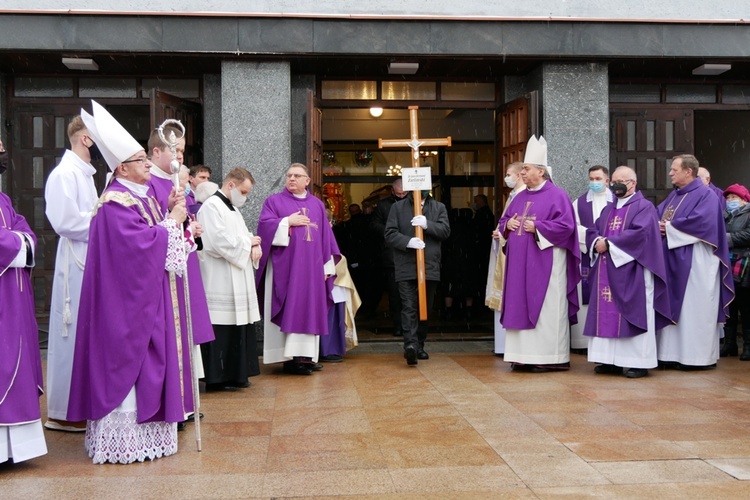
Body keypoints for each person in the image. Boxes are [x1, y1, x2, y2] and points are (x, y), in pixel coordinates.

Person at [67, 100, 198, 464]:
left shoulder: (142, 197)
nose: (148, 165)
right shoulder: (114, 203)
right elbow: (139, 248)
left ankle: (150, 433)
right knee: (132, 364)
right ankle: (126, 440)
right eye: (141, 160)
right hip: (125, 305)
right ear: (122, 167)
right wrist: (171, 220)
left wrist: (171, 214)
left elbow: (158, 237)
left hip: (147, 300)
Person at [147, 126, 214, 414]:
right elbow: (150, 228)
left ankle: (184, 403)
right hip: (161, 273)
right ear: (156, 152)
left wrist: (190, 229)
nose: (180, 156)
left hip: (182, 264)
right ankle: (173, 404)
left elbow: (179, 222)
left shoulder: (175, 183)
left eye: (183, 151)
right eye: (176, 150)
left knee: (185, 333)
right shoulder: (148, 183)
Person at [499, 136, 580, 373]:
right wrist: (508, 225)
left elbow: (567, 227)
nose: (522, 173)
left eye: (526, 168)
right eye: (522, 169)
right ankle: (521, 355)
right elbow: (505, 220)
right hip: (518, 265)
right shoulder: (520, 196)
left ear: (541, 171)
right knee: (519, 302)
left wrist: (540, 228)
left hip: (546, 263)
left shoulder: (558, 195)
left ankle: (549, 356)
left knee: (545, 306)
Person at [583, 166, 672, 378]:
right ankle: (608, 361)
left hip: (633, 272)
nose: (615, 185)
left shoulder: (644, 207)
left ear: (633, 183)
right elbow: (594, 230)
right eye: (613, 181)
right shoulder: (608, 208)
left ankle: (637, 362)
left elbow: (642, 235)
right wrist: (597, 241)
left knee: (632, 312)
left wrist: (610, 244)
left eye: (620, 181)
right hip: (606, 269)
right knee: (606, 312)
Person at [256, 163, 341, 375]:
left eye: (297, 176)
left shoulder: (317, 205)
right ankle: (289, 358)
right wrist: (286, 222)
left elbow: (325, 239)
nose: (292, 179)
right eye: (289, 175)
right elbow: (264, 228)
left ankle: (306, 357)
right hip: (287, 269)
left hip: (312, 271)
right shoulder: (274, 201)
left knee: (310, 309)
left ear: (307, 181)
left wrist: (327, 267)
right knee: (291, 307)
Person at [43, 116, 99, 433]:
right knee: (70, 332)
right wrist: (103, 221)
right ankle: (64, 411)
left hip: (89, 257)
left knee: (86, 331)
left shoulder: (85, 174)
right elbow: (65, 221)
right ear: (84, 139)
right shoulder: (64, 174)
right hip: (75, 260)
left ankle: (83, 403)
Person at [656, 154, 734, 370]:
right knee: (675, 306)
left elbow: (704, 223)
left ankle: (697, 358)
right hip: (673, 259)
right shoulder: (674, 196)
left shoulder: (706, 195)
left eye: (674, 169)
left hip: (697, 263)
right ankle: (669, 355)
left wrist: (669, 228)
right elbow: (658, 215)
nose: (671, 173)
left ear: (688, 172)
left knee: (694, 309)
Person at [197, 167, 262, 390]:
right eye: (243, 192)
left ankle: (237, 374)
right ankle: (218, 378)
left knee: (238, 327)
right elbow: (215, 241)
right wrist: (248, 244)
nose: (245, 197)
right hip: (220, 277)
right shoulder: (211, 207)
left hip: (236, 274)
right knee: (221, 328)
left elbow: (242, 235)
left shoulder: (233, 209)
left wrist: (253, 242)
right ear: (231, 185)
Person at [1, 191, 48, 464]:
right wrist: (19, 241)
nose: (2, 153)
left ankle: (15, 450)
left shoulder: (3, 197)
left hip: (12, 292)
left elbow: (23, 227)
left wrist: (21, 239)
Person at [385, 188, 450, 365]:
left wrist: (428, 224)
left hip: (429, 265)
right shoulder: (398, 208)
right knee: (409, 306)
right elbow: (390, 233)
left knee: (425, 307)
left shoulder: (438, 207)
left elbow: (445, 231)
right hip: (406, 264)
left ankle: (420, 344)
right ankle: (410, 345)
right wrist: (407, 241)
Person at [570, 165, 613, 353]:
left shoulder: (618, 201)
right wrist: (594, 239)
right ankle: (583, 342)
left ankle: (608, 338)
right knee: (586, 296)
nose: (594, 182)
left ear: (607, 180)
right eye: (591, 179)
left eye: (598, 179)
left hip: (613, 254)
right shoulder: (578, 203)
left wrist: (608, 241)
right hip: (588, 254)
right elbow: (573, 227)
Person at [486, 161, 525, 355]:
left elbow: (520, 227)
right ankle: (502, 345)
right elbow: (507, 222)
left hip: (512, 252)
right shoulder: (513, 195)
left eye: (509, 174)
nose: (506, 178)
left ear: (519, 175)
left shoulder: (523, 196)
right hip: (504, 248)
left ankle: (506, 346)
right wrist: (500, 232)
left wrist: (501, 234)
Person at [371, 178, 407, 336]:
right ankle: (398, 325)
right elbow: (374, 225)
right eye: (398, 194)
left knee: (411, 296)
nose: (401, 196)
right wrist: (391, 232)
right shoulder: (383, 205)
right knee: (395, 294)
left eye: (404, 193)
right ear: (392, 191)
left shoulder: (415, 203)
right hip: (391, 256)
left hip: (411, 255)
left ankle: (411, 327)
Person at [720, 184, 750, 359]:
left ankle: (747, 346)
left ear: (744, 200)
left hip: (744, 263)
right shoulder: (724, 216)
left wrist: (728, 238)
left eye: (734, 198)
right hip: (727, 263)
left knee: (746, 305)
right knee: (729, 304)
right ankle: (729, 344)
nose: (730, 201)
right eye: (728, 198)